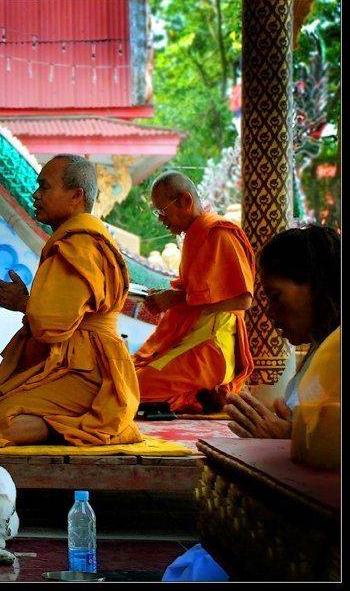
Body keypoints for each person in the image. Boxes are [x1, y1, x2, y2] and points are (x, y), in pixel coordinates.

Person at [0, 155, 142, 448]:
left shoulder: (79, 244)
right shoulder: (78, 240)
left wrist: (23, 303)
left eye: (45, 187)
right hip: (76, 363)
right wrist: (25, 302)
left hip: (90, 371)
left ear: (76, 196)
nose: (35, 195)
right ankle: (83, 423)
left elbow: (50, 327)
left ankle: (90, 425)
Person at [133, 172, 256, 414]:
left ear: (185, 201)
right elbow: (195, 292)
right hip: (191, 340)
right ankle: (199, 396)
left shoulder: (219, 233)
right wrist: (171, 297)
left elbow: (243, 299)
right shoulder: (194, 236)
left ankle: (204, 392)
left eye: (162, 211)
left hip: (211, 346)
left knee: (128, 386)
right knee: (126, 374)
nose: (161, 220)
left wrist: (177, 298)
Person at [223, 225, 340, 439]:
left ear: (317, 287)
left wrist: (290, 437)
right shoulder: (319, 352)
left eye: (275, 297)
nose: (270, 313)